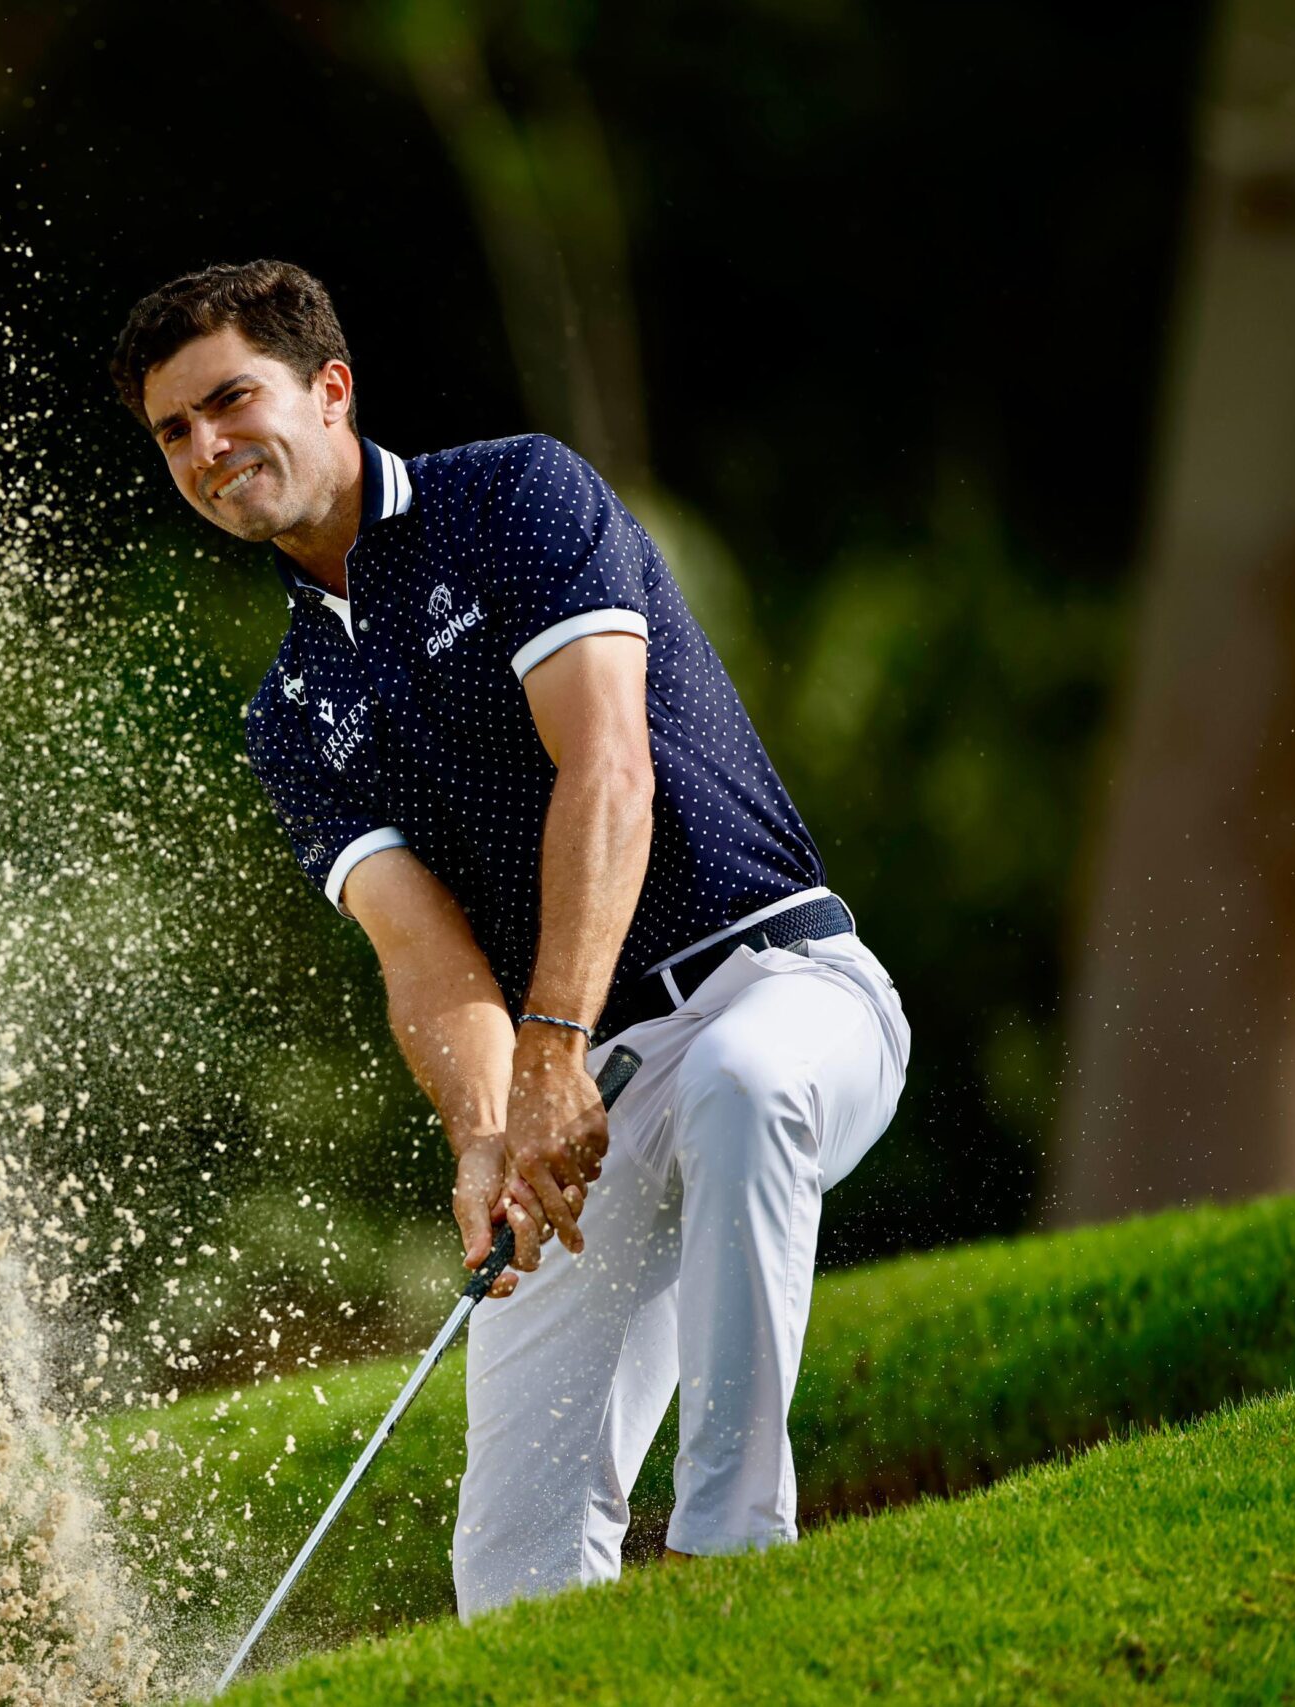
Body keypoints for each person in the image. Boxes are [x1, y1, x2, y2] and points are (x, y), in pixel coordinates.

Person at [107, 259, 911, 1611]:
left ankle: (735, 1559)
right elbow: (423, 956)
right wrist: (487, 1135)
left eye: (230, 400)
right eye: (173, 432)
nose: (206, 448)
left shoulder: (512, 498)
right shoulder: (289, 710)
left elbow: (608, 772)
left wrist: (552, 1049)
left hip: (781, 989)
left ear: (331, 388)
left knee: (743, 1083)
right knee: (513, 1571)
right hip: (585, 1085)